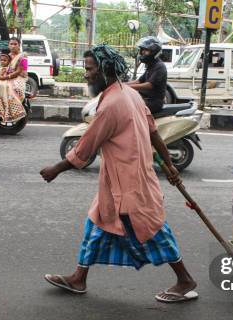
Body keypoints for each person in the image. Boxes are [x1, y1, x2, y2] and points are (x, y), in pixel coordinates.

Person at [39, 45, 198, 303]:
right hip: (118, 180)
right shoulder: (128, 93)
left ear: (105, 70)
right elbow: (153, 131)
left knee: (152, 230)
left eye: (90, 69)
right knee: (96, 224)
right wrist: (168, 165)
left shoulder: (113, 103)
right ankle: (79, 278)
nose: (86, 75)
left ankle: (185, 279)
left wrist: (56, 169)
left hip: (130, 183)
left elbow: (86, 146)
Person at [0, 41, 28, 122]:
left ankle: (11, 110)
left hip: (19, 78)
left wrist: (4, 77)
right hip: (9, 77)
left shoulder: (23, 56)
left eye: (15, 44)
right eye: (11, 44)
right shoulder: (9, 55)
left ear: (19, 45)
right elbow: (5, 67)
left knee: (0, 84)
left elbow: (18, 72)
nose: (13, 46)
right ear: (8, 45)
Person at [127, 36, 167, 114]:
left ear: (154, 51)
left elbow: (149, 85)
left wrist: (128, 87)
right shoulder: (151, 65)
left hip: (154, 102)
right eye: (142, 50)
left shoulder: (159, 66)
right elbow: (139, 81)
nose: (142, 52)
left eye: (146, 50)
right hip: (146, 99)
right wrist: (121, 84)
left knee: (128, 108)